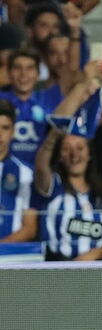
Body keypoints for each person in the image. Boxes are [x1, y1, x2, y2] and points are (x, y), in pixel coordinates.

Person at [31, 127, 102, 261]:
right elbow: (41, 166)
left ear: (89, 153)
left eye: (80, 148)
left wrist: (94, 254)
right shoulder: (53, 186)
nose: (74, 155)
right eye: (66, 149)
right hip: (57, 269)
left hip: (94, 273)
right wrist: (52, 137)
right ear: (60, 156)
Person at [0, 48, 65, 168]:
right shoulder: (1, 99)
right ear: (9, 73)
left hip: (41, 175)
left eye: (30, 68)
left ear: (38, 74)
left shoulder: (50, 99)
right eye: (17, 68)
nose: (23, 74)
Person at [0, 99, 36, 242]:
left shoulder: (26, 173)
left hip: (12, 258)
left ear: (13, 131)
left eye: (5, 128)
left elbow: (30, 228)